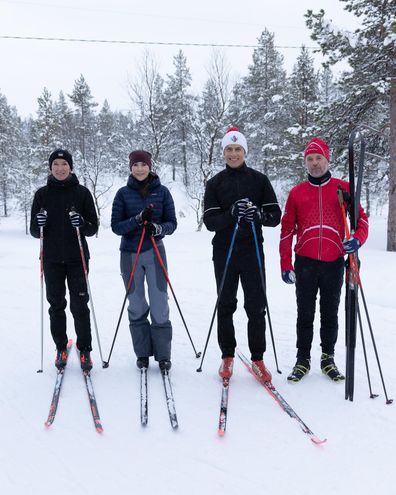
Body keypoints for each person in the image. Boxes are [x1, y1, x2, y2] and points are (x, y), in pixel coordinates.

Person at [279, 137, 369, 383]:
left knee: (330, 313)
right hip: (305, 262)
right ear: (305, 163)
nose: (315, 163)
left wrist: (357, 240)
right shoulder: (297, 193)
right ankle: (302, 359)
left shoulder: (343, 188)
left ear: (327, 159)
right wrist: (285, 264)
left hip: (333, 262)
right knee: (304, 313)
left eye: (319, 158)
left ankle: (328, 358)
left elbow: (361, 222)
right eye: (310, 159)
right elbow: (287, 231)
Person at [203, 127, 281, 381]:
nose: (233, 154)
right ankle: (227, 356)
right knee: (226, 304)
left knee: (256, 306)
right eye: (229, 149)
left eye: (238, 149)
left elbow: (275, 216)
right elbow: (210, 221)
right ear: (223, 153)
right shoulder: (215, 183)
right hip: (224, 252)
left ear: (245, 151)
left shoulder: (259, 180)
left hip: (252, 252)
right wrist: (231, 214)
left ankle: (257, 358)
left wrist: (258, 215)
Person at [30, 149, 98, 371]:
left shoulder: (82, 193)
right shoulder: (42, 195)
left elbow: (93, 228)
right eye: (56, 164)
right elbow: (33, 230)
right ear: (50, 168)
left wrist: (82, 223)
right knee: (56, 305)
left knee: (80, 305)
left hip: (77, 257)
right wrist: (40, 223)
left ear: (71, 167)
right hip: (51, 260)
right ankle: (61, 346)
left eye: (64, 164)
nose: (60, 168)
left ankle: (85, 349)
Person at [111, 150, 177, 372]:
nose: (139, 168)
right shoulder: (122, 194)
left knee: (160, 303)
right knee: (137, 304)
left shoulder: (163, 192)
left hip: (155, 250)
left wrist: (157, 228)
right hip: (129, 253)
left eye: (143, 164)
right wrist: (137, 220)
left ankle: (163, 355)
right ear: (130, 167)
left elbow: (172, 223)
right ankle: (142, 354)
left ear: (150, 166)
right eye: (135, 164)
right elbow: (116, 226)